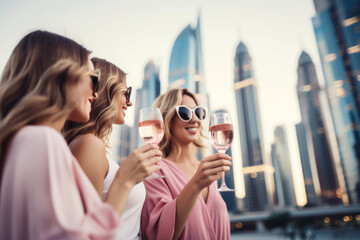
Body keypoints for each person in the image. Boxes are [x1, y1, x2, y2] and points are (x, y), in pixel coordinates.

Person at [0, 30, 144, 240]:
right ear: (63, 77)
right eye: (93, 79)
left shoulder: (26, 141)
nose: (95, 92)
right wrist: (124, 182)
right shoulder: (42, 140)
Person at [62, 57, 161, 240]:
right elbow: (91, 233)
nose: (129, 102)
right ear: (106, 90)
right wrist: (125, 180)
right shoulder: (89, 144)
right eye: (126, 92)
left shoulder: (92, 144)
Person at [141, 88, 232, 240]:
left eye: (198, 112)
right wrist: (196, 183)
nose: (195, 119)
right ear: (166, 119)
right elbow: (159, 235)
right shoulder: (154, 169)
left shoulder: (207, 171)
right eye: (184, 112)